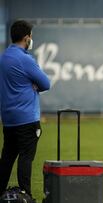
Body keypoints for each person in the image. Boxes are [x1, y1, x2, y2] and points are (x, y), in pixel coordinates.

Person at [0, 20, 50, 200]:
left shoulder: (3, 57)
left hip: (8, 119)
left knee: (6, 158)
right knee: (25, 157)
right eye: (31, 36)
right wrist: (32, 84)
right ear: (26, 37)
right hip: (27, 119)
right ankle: (25, 195)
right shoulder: (26, 59)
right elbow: (46, 84)